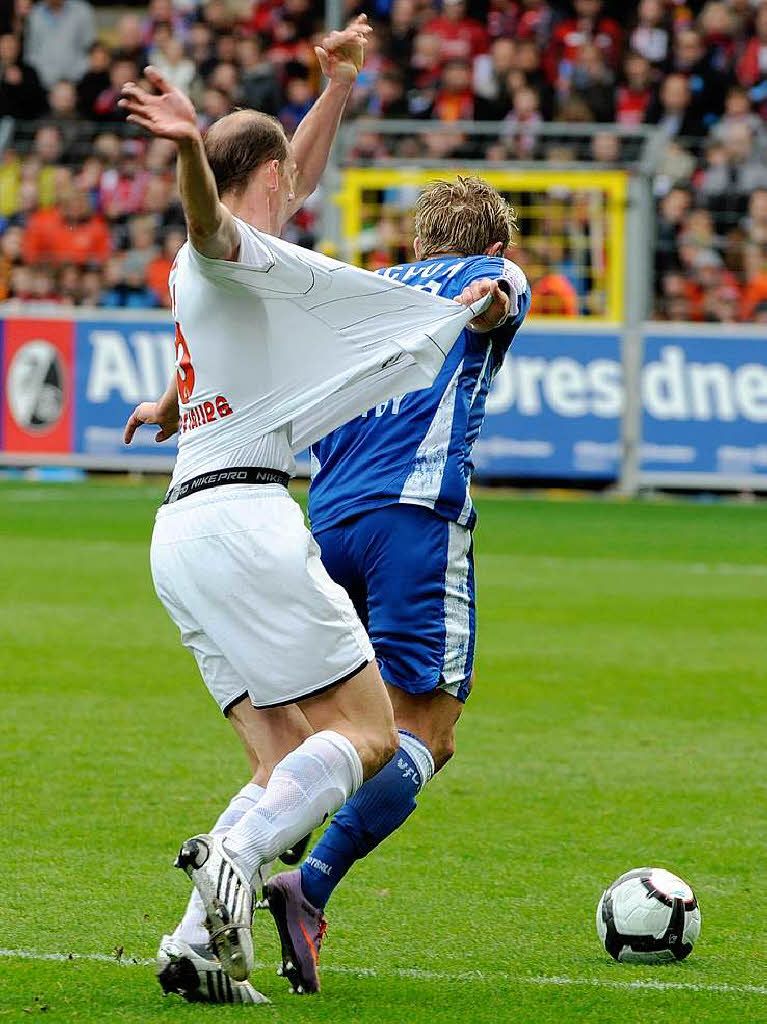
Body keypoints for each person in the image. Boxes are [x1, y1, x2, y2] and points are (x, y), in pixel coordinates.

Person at [120, 29, 505, 1009]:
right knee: (371, 730)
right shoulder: (229, 248)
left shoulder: (242, 277)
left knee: (283, 756)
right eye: (286, 169)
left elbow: (266, 196)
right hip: (247, 516)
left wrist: (334, 89)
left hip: (181, 531)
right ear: (262, 174)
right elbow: (215, 221)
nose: (300, 180)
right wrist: (185, 147)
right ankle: (238, 854)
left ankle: (194, 945)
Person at [262, 176, 531, 995]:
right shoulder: (488, 272)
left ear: (418, 241)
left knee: (347, 721)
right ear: (491, 243)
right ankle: (308, 884)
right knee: (427, 729)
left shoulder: (363, 292)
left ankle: (275, 829)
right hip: (412, 519)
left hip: (325, 522)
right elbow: (498, 299)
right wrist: (486, 299)